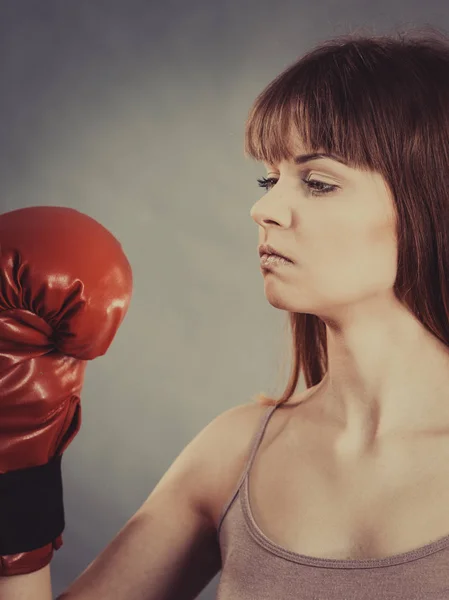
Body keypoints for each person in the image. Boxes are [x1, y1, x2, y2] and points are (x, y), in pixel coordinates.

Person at [3, 24, 449, 600]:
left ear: (429, 203)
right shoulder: (234, 452)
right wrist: (17, 462)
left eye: (316, 182)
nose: (263, 208)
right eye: (270, 177)